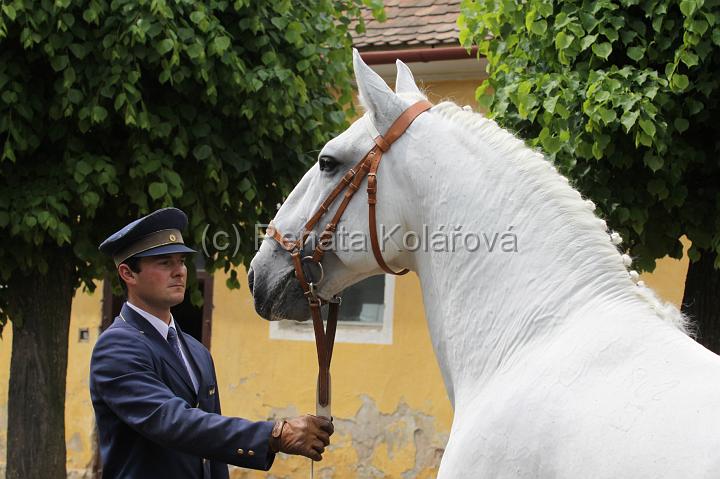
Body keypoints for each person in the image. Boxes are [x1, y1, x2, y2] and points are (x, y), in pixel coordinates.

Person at [90, 207, 333, 478]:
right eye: (164, 263)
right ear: (128, 273)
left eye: (181, 261)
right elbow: (171, 421)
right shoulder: (116, 348)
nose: (180, 271)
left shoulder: (195, 350)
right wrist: (276, 434)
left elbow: (211, 451)